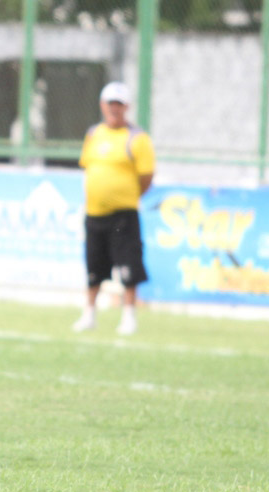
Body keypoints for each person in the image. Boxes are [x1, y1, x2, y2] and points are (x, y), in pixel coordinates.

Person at [72, 81, 155, 335]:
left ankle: (129, 316)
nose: (114, 109)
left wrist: (123, 195)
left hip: (123, 215)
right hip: (95, 213)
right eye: (110, 103)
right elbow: (89, 167)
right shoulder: (93, 134)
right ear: (102, 105)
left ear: (127, 107)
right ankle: (89, 313)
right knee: (94, 265)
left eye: (119, 104)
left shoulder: (137, 138)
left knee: (128, 265)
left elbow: (146, 177)